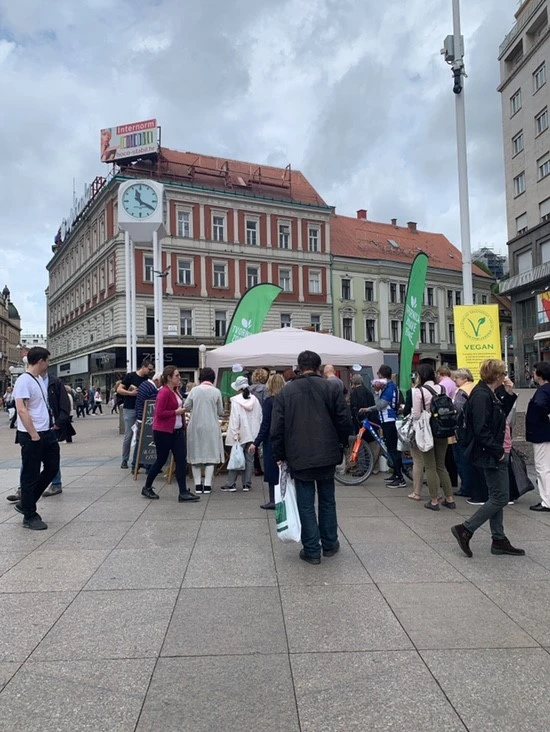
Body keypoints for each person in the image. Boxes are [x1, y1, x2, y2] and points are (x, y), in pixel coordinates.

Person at [271, 350, 353, 564]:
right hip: (327, 452)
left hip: (299, 454)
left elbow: (277, 427)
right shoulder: (331, 388)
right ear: (318, 367)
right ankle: (330, 543)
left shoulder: (286, 392)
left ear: (299, 367)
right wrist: (342, 443)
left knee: (305, 503)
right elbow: (344, 420)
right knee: (327, 499)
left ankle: (311, 549)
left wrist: (279, 454)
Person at [451, 359, 525, 558]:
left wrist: (508, 394)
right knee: (501, 497)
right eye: (504, 373)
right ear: (497, 376)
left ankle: (499, 539)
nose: (506, 376)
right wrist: (498, 451)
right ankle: (466, 529)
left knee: (496, 496)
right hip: (492, 453)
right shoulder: (482, 395)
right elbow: (481, 428)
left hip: (493, 451)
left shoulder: (488, 392)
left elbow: (499, 416)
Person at [11, 347, 60, 530]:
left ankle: (26, 502)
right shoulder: (23, 381)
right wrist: (33, 434)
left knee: (52, 467)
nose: (48, 364)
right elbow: (21, 409)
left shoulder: (38, 379)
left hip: (46, 432)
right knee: (30, 474)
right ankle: (29, 515)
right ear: (41, 361)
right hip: (32, 434)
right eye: (47, 360)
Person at [142, 366, 199, 502]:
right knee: (161, 460)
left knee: (181, 460)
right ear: (169, 377)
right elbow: (159, 413)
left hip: (177, 430)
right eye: (176, 376)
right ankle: (147, 486)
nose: (179, 378)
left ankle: (183, 492)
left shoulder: (176, 391)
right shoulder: (164, 392)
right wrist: (176, 412)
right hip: (163, 431)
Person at [410, 364, 454, 510]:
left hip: (427, 431)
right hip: (442, 429)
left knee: (429, 466)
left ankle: (434, 500)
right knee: (441, 465)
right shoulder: (442, 388)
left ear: (420, 376)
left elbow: (416, 414)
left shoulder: (419, 391)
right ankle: (450, 498)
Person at [361, 364, 405, 488]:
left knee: (392, 449)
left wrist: (375, 392)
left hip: (389, 420)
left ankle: (400, 477)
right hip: (387, 420)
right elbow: (381, 405)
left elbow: (381, 405)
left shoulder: (389, 388)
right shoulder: (389, 386)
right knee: (390, 448)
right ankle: (396, 474)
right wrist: (369, 409)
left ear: (381, 375)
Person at [185, 367, 225, 495]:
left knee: (196, 454)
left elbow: (186, 406)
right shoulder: (216, 391)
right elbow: (220, 411)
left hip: (195, 425)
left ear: (200, 378)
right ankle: (207, 485)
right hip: (211, 426)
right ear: (213, 379)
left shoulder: (194, 390)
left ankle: (197, 485)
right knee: (210, 456)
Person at [249, 373, 285, 510]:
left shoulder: (269, 402)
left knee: (271, 470)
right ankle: (284, 498)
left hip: (271, 439)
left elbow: (265, 424)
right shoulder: (287, 400)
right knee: (284, 470)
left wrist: (256, 442)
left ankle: (273, 500)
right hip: (286, 438)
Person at [222, 375, 262, 492]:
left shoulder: (235, 400)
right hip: (253, 433)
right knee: (250, 459)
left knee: (235, 457)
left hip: (240, 434)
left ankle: (231, 483)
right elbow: (260, 416)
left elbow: (235, 419)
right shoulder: (254, 400)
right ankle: (246, 484)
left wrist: (235, 433)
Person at [117, 359, 155, 469]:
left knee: (142, 434)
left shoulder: (147, 379)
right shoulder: (130, 376)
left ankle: (140, 459)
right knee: (129, 434)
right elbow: (119, 389)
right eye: (149, 369)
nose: (150, 371)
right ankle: (125, 459)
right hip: (130, 407)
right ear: (143, 367)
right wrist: (130, 393)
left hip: (142, 409)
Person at [526, 361, 550, 512]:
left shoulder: (542, 391)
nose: (533, 375)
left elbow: (540, 405)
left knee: (543, 468)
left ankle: (547, 501)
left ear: (539, 374)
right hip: (545, 433)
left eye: (534, 372)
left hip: (541, 434)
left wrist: (545, 417)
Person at [349, 373, 380, 473]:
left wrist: (356, 421)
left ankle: (363, 468)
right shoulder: (368, 391)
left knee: (361, 445)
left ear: (353, 382)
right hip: (371, 422)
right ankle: (374, 467)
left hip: (361, 423)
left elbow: (354, 409)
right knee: (373, 445)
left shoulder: (354, 393)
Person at [452, 368, 475, 498]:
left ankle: (466, 487)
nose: (454, 380)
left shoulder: (461, 392)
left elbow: (458, 410)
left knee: (461, 460)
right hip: (473, 429)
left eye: (457, 378)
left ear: (465, 378)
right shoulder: (474, 387)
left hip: (462, 430)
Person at [132, 372, 161, 474]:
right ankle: (148, 465)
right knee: (147, 442)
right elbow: (153, 404)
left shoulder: (144, 385)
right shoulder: (151, 388)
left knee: (140, 442)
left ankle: (136, 464)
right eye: (161, 382)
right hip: (146, 419)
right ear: (156, 380)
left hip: (141, 417)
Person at [249, 368, 269, 475]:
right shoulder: (265, 389)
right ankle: (264, 466)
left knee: (253, 442)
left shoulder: (248, 389)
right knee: (262, 441)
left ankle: (256, 466)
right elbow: (266, 404)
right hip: (261, 417)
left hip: (250, 418)